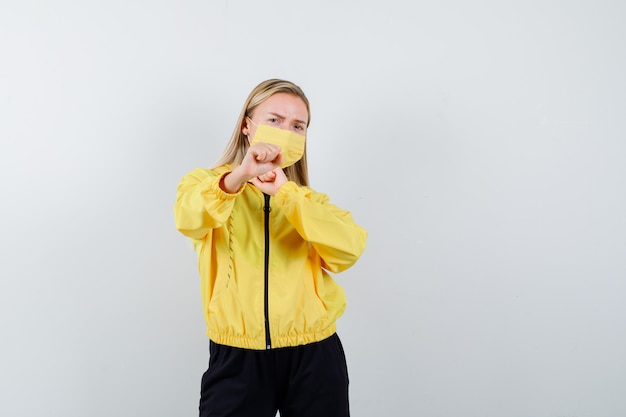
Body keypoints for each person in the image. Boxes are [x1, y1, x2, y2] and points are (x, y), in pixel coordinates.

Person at [174, 79, 367, 417]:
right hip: (237, 355)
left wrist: (286, 193)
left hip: (314, 354)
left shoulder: (307, 201)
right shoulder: (206, 185)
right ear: (247, 126)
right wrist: (240, 175)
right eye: (274, 120)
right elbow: (189, 217)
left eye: (298, 126)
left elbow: (348, 249)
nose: (286, 132)